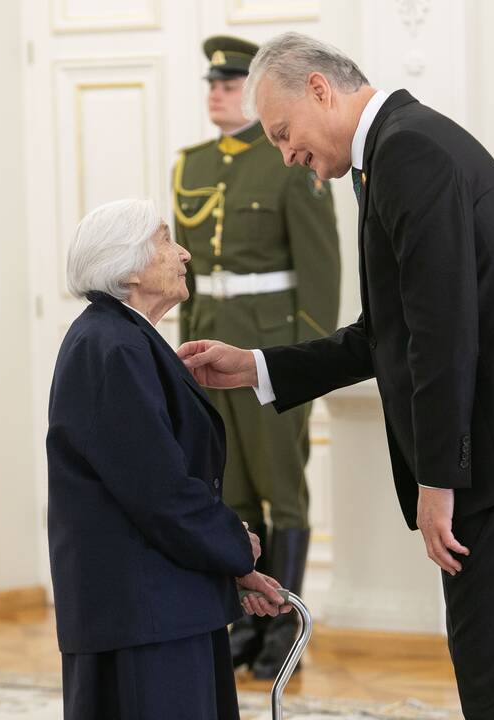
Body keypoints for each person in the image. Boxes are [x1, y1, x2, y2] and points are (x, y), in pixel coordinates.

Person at [179, 33, 494, 719]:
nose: (285, 155)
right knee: (492, 672)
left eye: (284, 133)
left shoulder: (408, 152)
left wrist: (440, 482)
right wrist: (257, 365)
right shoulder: (389, 154)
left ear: (320, 88)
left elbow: (442, 337)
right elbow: (386, 335)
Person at [47, 198, 289, 720]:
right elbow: (160, 491)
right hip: (144, 619)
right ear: (128, 268)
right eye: (164, 239)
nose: (183, 253)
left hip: (159, 609)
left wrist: (233, 565)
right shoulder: (112, 349)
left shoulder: (123, 340)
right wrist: (235, 547)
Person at [173, 34, 341, 678]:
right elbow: (188, 269)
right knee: (229, 489)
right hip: (212, 340)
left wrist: (301, 360)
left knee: (281, 492)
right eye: (210, 82)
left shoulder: (287, 162)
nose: (215, 90)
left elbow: (320, 275)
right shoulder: (189, 165)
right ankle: (245, 623)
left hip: (271, 348)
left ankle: (287, 627)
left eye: (228, 82)